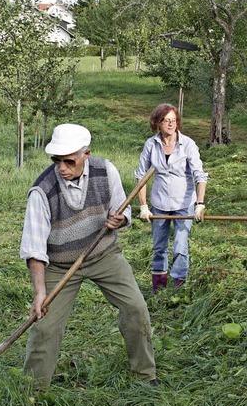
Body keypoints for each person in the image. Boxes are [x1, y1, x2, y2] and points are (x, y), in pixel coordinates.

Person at [20, 123, 157, 387]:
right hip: (59, 265)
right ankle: (32, 391)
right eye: (56, 160)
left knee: (136, 309)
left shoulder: (106, 171)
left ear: (87, 154)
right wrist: (39, 292)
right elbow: (34, 249)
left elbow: (122, 209)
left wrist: (119, 219)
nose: (62, 167)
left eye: (69, 161)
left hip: (103, 253)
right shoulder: (42, 191)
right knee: (45, 326)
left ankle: (145, 376)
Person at [135, 104, 208, 292]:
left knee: (180, 246)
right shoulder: (151, 145)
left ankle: (178, 287)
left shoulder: (188, 144)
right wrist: (143, 206)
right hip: (159, 203)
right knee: (159, 247)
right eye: (166, 120)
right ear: (157, 123)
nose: (170, 124)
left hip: (184, 204)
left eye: (173, 120)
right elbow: (141, 177)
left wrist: (200, 204)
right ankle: (159, 288)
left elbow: (199, 175)